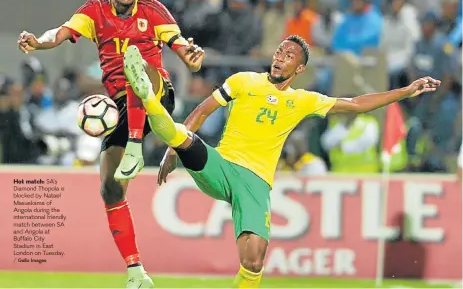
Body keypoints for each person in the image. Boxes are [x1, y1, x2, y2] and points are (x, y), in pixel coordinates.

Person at [125, 35, 439, 288]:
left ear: (299, 69)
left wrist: (406, 91)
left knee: (254, 263)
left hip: (255, 182)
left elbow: (355, 104)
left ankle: (158, 113)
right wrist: (171, 151)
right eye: (279, 52)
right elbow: (203, 110)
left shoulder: (303, 100)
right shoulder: (244, 80)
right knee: (185, 138)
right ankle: (147, 96)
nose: (279, 58)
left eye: (289, 56)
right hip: (221, 164)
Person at [17, 0, 204, 288]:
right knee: (110, 189)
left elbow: (181, 48)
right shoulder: (94, 11)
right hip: (121, 107)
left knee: (138, 64)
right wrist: (40, 42)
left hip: (158, 96)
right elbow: (59, 32)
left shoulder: (154, 11)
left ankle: (135, 147)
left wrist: (191, 58)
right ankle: (136, 272)